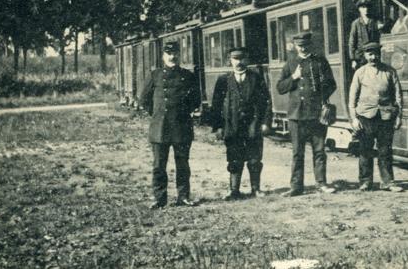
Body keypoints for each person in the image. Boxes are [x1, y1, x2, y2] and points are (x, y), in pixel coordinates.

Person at [140, 40, 202, 209]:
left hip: (181, 126)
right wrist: (158, 114)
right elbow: (144, 99)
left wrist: (181, 113)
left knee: (182, 164)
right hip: (160, 128)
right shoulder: (155, 75)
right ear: (163, 56)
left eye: (175, 53)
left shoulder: (188, 76)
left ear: (179, 55)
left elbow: (195, 100)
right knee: (159, 165)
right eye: (169, 54)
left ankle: (183, 197)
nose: (172, 57)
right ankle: (159, 198)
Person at [276, 31, 338, 196]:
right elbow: (280, 87)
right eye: (299, 46)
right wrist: (294, 78)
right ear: (295, 46)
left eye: (305, 45)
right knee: (297, 152)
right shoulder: (290, 63)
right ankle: (296, 186)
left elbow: (332, 84)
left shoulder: (320, 62)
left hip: (316, 114)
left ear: (310, 45)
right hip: (296, 116)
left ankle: (321, 183)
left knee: (319, 151)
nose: (303, 48)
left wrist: (322, 97)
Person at [209, 47, 272, 200]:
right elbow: (216, 105)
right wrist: (217, 127)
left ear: (247, 60)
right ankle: (234, 190)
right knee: (234, 158)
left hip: (253, 124)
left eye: (241, 58)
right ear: (230, 61)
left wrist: (265, 122)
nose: (238, 62)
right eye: (235, 59)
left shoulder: (256, 78)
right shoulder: (223, 80)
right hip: (232, 125)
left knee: (254, 158)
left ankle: (255, 189)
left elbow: (266, 102)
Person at [348, 42, 404, 192]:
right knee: (365, 150)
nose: (373, 57)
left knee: (385, 150)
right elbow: (352, 98)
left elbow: (398, 95)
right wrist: (354, 118)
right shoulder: (360, 73)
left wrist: (399, 116)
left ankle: (388, 182)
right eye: (370, 54)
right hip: (365, 116)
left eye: (376, 54)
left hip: (386, 116)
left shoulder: (390, 72)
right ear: (365, 56)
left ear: (380, 54)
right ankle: (365, 182)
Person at [348, 0, 382, 70]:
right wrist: (353, 60)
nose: (366, 9)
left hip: (373, 55)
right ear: (359, 9)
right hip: (361, 57)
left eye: (367, 7)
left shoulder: (375, 21)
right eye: (363, 7)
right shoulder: (356, 23)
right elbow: (352, 42)